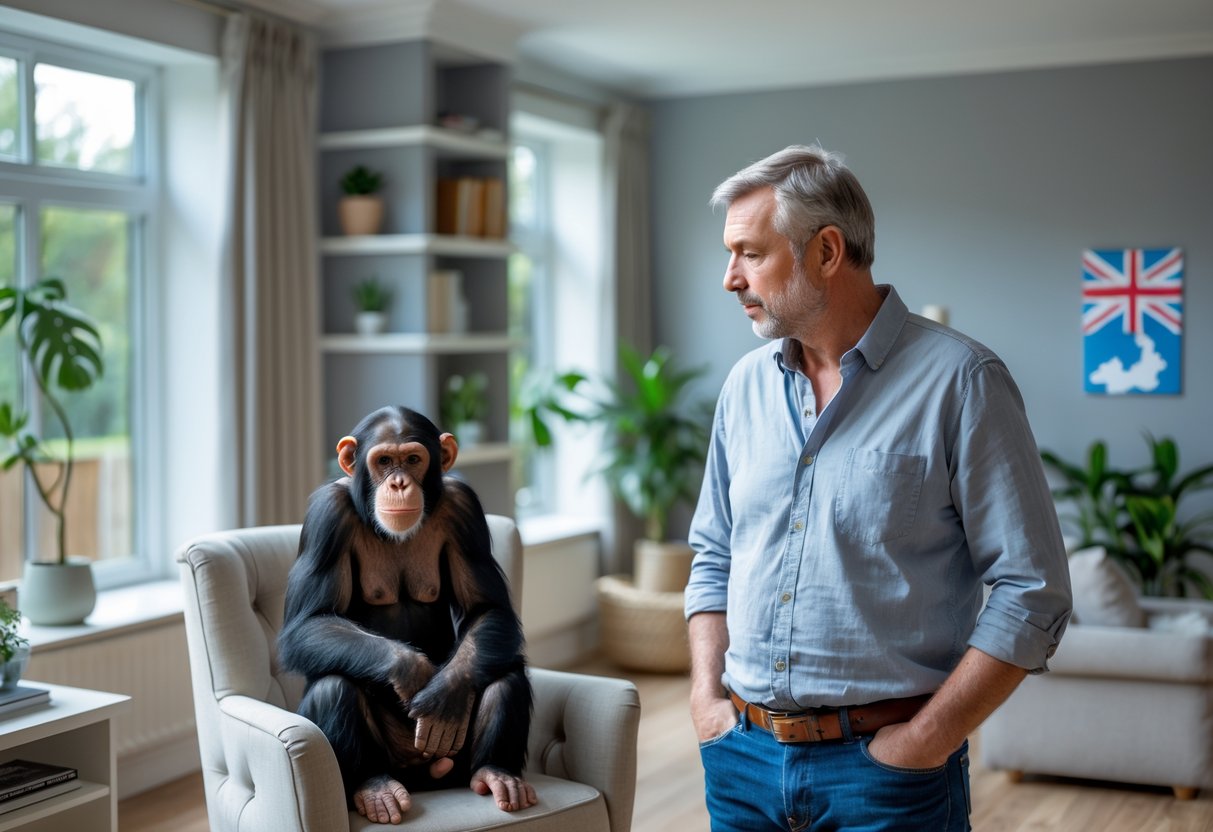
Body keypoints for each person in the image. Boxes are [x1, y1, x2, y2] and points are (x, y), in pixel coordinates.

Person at [684, 144, 1073, 832]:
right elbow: (713, 555)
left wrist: (924, 740)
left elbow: (1031, 591)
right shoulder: (744, 386)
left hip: (887, 775)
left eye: (749, 253)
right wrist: (705, 704)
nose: (729, 278)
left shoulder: (962, 381)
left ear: (826, 251)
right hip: (739, 759)